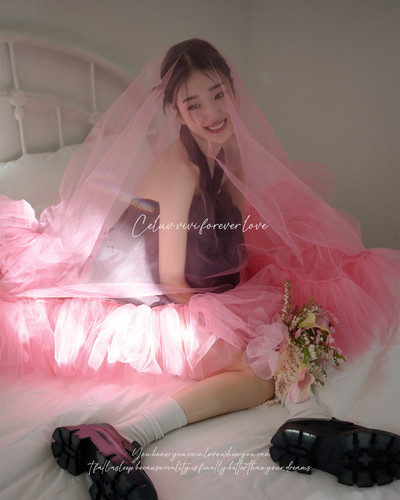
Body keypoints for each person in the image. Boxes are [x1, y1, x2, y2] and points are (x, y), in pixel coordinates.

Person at [0, 39, 399, 499]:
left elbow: (235, 240)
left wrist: (257, 317)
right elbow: (171, 276)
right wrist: (229, 327)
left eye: (217, 94)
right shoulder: (179, 169)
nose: (212, 112)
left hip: (200, 280)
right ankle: (127, 434)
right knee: (260, 371)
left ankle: (313, 425)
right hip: (150, 295)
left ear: (232, 90)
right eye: (194, 104)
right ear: (177, 111)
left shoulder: (230, 152)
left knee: (292, 333)